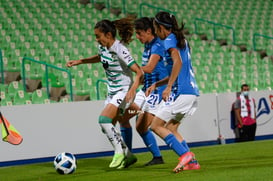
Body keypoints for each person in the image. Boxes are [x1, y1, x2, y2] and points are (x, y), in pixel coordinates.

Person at [66, 18, 143, 169]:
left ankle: (119, 152)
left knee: (103, 119)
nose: (97, 39)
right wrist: (80, 61)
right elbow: (101, 58)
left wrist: (133, 89)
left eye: (98, 36)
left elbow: (139, 71)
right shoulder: (103, 47)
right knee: (107, 126)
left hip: (124, 90)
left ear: (108, 35)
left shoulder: (120, 49)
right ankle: (128, 155)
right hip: (112, 92)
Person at [146, 11, 200, 173]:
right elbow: (178, 68)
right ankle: (192, 162)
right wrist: (158, 84)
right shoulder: (180, 39)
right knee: (171, 128)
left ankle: (185, 155)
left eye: (155, 28)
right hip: (190, 92)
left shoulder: (169, 40)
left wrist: (168, 87)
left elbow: (178, 61)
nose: (155, 32)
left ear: (161, 27)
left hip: (180, 92)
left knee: (155, 126)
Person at [119, 17, 168, 166]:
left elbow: (150, 67)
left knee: (141, 126)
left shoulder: (158, 45)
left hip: (157, 90)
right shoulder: (147, 46)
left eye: (140, 33)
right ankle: (128, 155)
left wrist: (130, 67)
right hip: (145, 89)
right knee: (123, 117)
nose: (138, 37)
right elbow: (145, 72)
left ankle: (158, 157)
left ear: (148, 31)